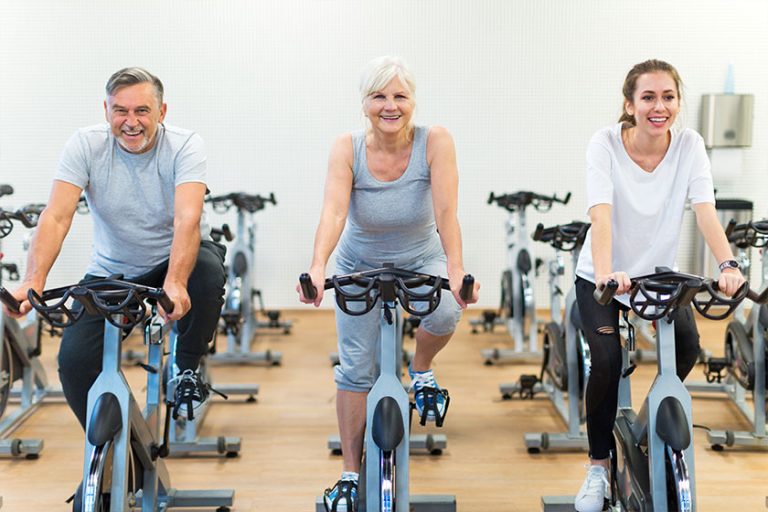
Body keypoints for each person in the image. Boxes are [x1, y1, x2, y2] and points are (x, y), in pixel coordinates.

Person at [298, 55, 479, 512]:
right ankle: (350, 474)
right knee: (356, 370)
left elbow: (445, 213)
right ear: (364, 104)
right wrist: (318, 266)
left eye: (400, 95)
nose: (390, 105)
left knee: (445, 308)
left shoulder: (435, 141)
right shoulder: (347, 147)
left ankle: (420, 369)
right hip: (361, 263)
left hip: (421, 258)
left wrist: (455, 270)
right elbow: (335, 212)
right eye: (379, 96)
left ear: (413, 101)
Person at [5, 67, 226, 429]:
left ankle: (185, 366)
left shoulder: (185, 145)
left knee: (207, 271)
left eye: (142, 111)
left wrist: (174, 282)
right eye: (120, 111)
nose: (131, 122)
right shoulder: (85, 144)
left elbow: (187, 218)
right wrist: (33, 281)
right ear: (106, 110)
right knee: (74, 363)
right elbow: (57, 216)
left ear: (162, 112)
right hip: (113, 269)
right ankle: (115, 454)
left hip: (174, 259)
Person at [572, 59, 746, 512]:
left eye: (668, 97)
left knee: (688, 346)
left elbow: (705, 209)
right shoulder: (605, 143)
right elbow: (601, 212)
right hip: (603, 277)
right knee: (607, 360)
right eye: (648, 97)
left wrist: (727, 262)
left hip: (658, 278)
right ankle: (597, 468)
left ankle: (644, 428)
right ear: (629, 105)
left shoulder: (690, 145)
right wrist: (609, 273)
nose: (659, 106)